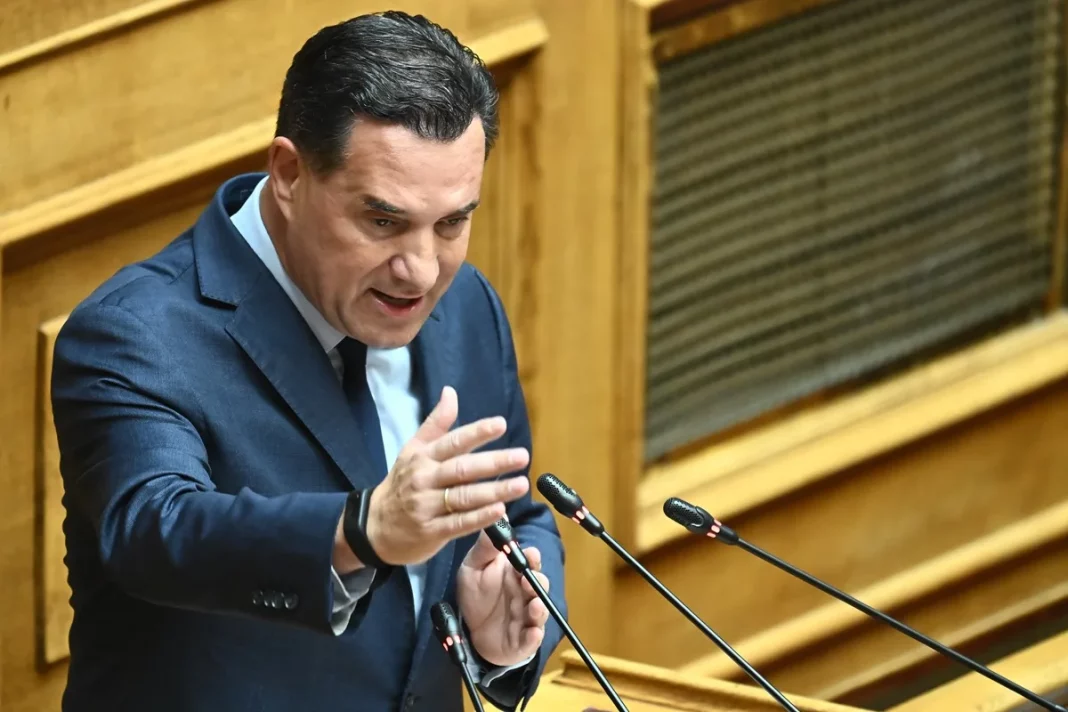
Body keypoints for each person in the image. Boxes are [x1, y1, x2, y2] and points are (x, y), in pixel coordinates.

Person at [50, 10, 566, 712]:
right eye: (383, 221)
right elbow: (155, 531)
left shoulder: (466, 304)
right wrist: (363, 530)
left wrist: (498, 636)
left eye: (452, 223)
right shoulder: (135, 335)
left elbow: (513, 515)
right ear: (290, 174)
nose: (420, 270)